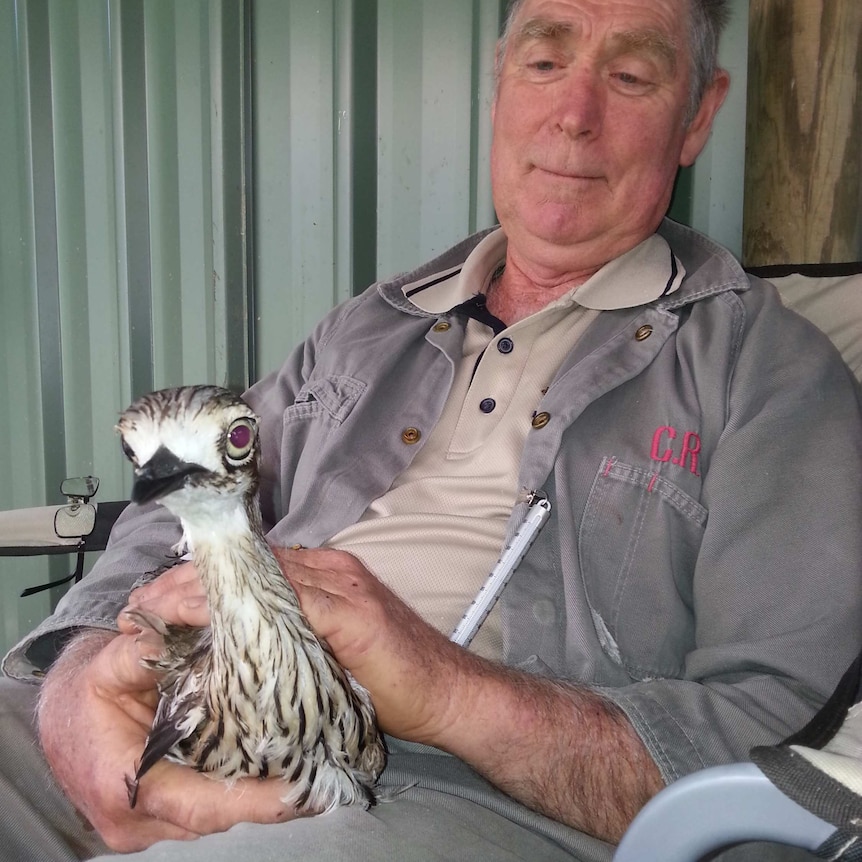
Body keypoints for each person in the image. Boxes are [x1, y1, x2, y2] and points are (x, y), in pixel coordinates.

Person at [2, 0, 861, 860]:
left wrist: (449, 692)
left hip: (451, 792)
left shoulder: (767, 370)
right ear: (500, 90)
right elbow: (179, 500)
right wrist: (80, 676)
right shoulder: (373, 324)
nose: (575, 115)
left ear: (698, 116)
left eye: (631, 76)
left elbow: (774, 734)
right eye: (544, 63)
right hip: (203, 701)